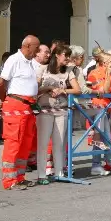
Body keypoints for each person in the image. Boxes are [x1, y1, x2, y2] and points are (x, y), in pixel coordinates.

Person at [0, 35, 40, 190]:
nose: (37, 51)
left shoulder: (30, 62)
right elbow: (1, 83)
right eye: (36, 47)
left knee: (25, 143)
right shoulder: (14, 59)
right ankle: (9, 181)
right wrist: (4, 100)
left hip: (28, 106)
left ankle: (20, 177)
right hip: (16, 105)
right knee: (13, 142)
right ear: (27, 46)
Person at [36, 45, 80, 183]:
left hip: (62, 110)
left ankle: (59, 172)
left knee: (59, 143)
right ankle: (42, 174)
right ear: (57, 55)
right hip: (45, 110)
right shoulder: (43, 69)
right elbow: (35, 88)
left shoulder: (68, 71)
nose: (68, 58)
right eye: (65, 55)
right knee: (43, 143)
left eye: (69, 55)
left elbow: (77, 89)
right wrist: (49, 88)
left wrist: (63, 90)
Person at [87, 53, 111, 177]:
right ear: (104, 63)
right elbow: (105, 91)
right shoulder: (93, 74)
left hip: (107, 109)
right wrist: (108, 76)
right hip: (97, 109)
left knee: (100, 139)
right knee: (106, 137)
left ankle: (96, 165)